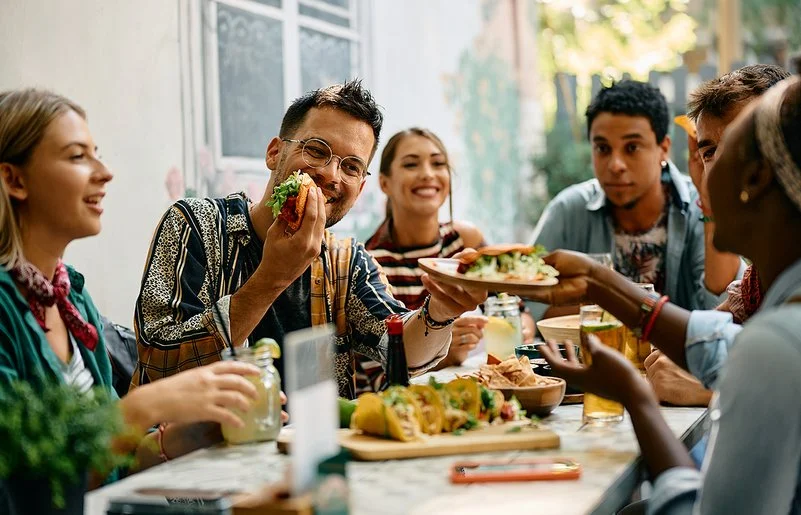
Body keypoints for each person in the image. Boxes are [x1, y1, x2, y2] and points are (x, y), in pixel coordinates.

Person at [537, 73, 801, 513]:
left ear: (754, 176)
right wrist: (601, 283)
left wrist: (636, 398)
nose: (700, 175)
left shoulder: (777, 345)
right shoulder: (772, 300)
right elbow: (722, 345)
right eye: (703, 152)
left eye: (721, 153)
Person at [132, 81, 487, 399]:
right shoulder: (195, 223)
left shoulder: (347, 261)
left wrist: (440, 312)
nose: (330, 175)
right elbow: (161, 366)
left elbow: (400, 350)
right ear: (275, 153)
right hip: (195, 455)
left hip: (314, 454)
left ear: (360, 188)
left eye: (350, 167)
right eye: (317, 150)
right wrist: (273, 276)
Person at [0, 89, 280, 483]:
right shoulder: (5, 308)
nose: (105, 172)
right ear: (14, 179)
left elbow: (108, 463)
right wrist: (144, 406)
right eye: (78, 156)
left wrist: (203, 427)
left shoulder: (71, 298)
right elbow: (21, 478)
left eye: (97, 152)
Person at [645, 64, 791, 407]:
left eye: (743, 142)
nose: (719, 169)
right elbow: (709, 331)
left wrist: (716, 389)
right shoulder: (761, 275)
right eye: (709, 152)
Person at [528, 80, 727, 323]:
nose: (615, 165)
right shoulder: (568, 209)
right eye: (602, 148)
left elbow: (721, 309)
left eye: (632, 147)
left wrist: (711, 204)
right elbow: (529, 302)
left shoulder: (700, 207)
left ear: (663, 148)